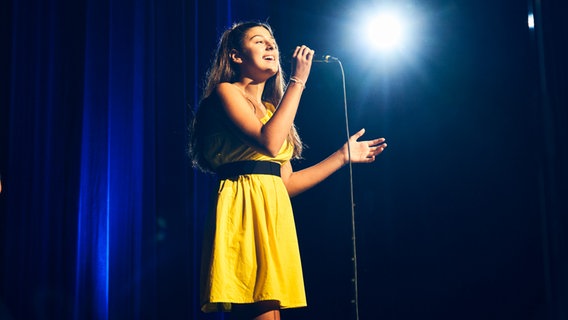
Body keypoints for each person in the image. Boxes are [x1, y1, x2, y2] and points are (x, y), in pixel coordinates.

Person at [189, 21, 387, 320]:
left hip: (274, 214)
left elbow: (287, 182)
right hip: (243, 210)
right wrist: (298, 81)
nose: (270, 45)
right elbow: (269, 143)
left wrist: (342, 156)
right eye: (259, 41)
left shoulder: (272, 110)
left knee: (271, 312)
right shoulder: (225, 93)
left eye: (272, 41)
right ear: (235, 56)